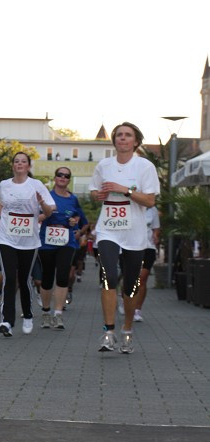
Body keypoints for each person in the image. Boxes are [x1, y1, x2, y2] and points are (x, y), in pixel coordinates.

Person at [89, 122, 160, 353]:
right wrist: (97, 195)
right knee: (108, 276)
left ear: (136, 141)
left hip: (134, 232)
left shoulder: (144, 166)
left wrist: (125, 189)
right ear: (114, 141)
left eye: (127, 135)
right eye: (119, 135)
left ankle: (127, 329)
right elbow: (93, 191)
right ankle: (109, 332)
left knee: (130, 286)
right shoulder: (104, 165)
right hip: (108, 228)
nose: (122, 138)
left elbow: (150, 201)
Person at [0, 152, 55, 336]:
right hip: (6, 237)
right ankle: (7, 321)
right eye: (16, 161)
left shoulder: (36, 185)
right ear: (13, 165)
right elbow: (2, 205)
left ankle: (27, 314)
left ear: (29, 166)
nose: (19, 164)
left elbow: (49, 212)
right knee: (9, 277)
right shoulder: (4, 185)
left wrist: (42, 203)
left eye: (23, 161)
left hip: (28, 240)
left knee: (24, 279)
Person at [37, 167, 87, 329]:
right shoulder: (46, 196)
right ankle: (46, 312)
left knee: (63, 275)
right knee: (47, 277)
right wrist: (47, 214)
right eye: (60, 175)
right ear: (55, 177)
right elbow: (36, 217)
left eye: (66, 176)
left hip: (67, 241)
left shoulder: (73, 199)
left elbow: (79, 218)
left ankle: (58, 314)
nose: (63, 178)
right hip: (47, 241)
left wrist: (74, 222)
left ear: (69, 180)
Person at [133, 206, 161, 322]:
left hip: (148, 247)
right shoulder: (130, 205)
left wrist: (155, 235)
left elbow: (156, 227)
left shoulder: (152, 209)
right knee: (131, 279)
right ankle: (126, 300)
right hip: (131, 246)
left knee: (142, 278)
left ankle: (137, 310)